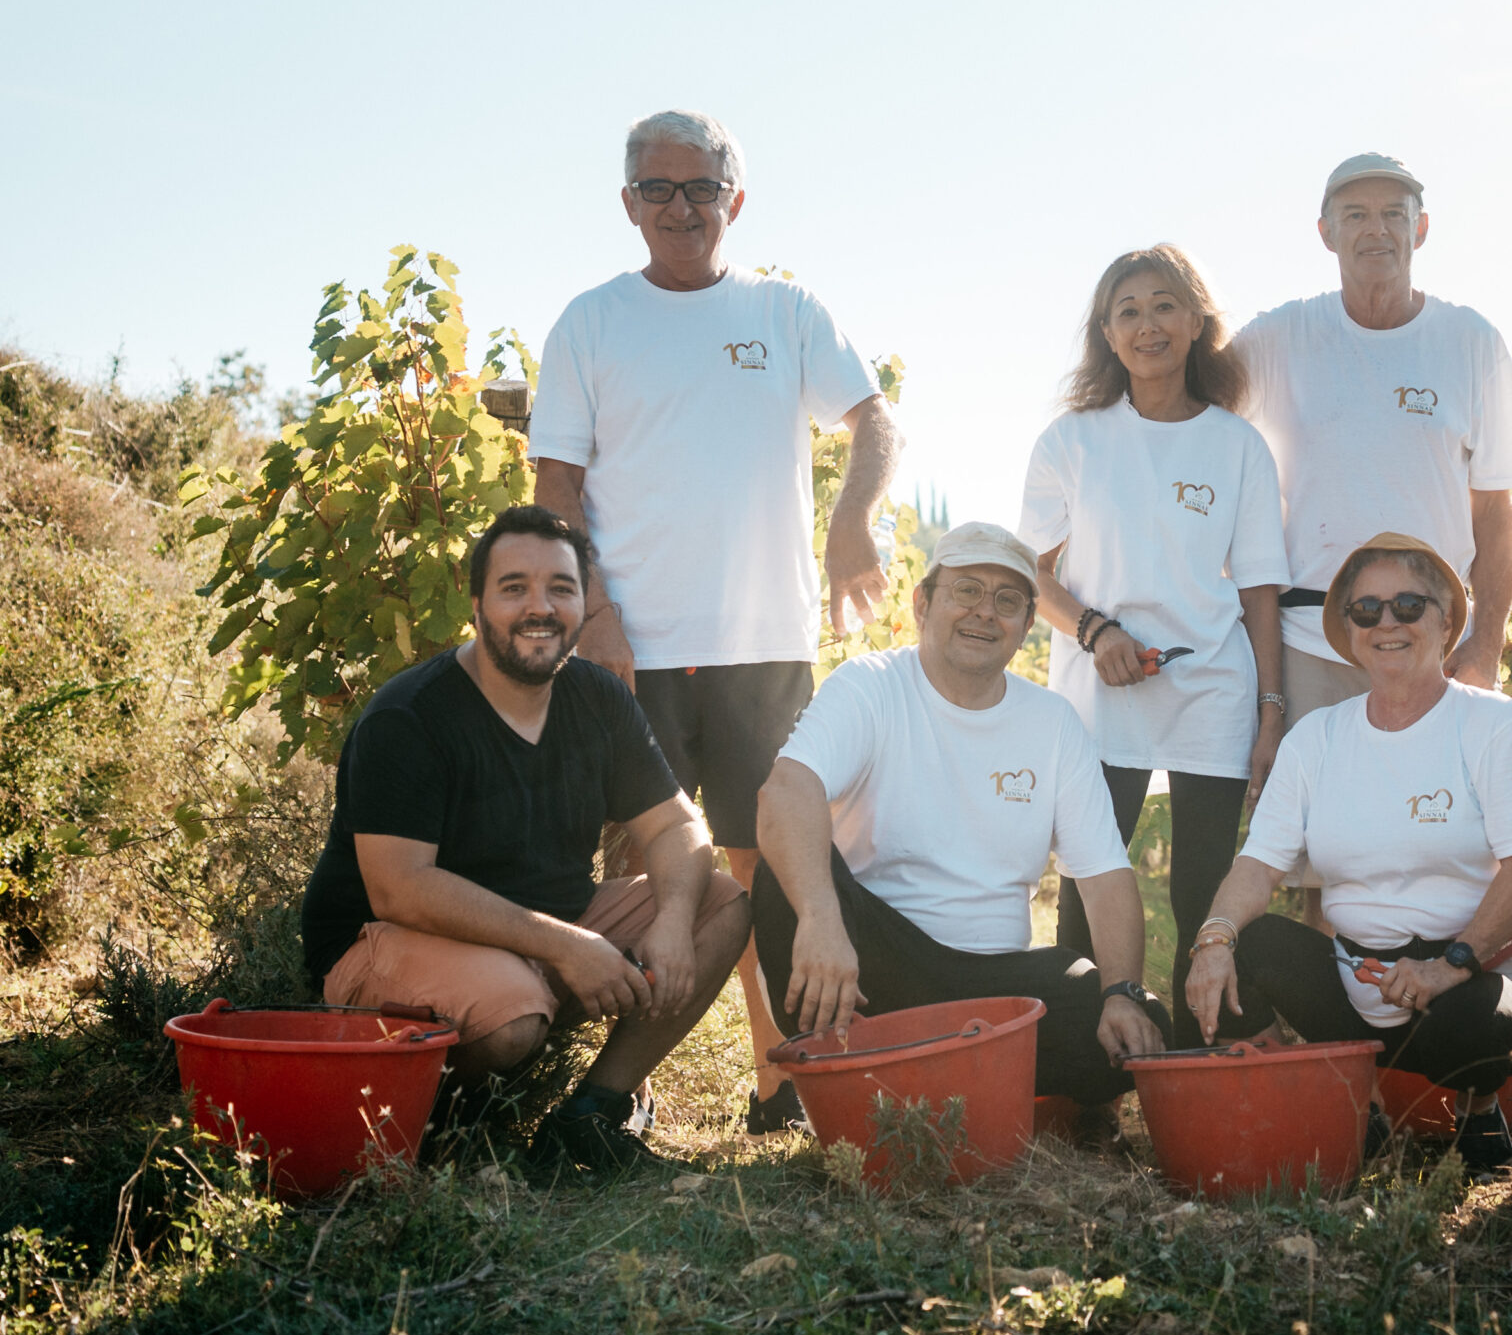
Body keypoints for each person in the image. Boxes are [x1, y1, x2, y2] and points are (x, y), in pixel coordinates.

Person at [530, 108, 901, 1134]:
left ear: (736, 200)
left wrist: (852, 524)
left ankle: (780, 1080)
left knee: (765, 867)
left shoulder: (786, 314)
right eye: (658, 189)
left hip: (764, 644)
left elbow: (875, 420)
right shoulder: (591, 322)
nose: (680, 207)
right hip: (629, 648)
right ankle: (620, 1083)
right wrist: (593, 611)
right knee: (628, 868)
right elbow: (555, 480)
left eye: (701, 188)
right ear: (629, 205)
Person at [299, 507, 750, 1175]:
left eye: (561, 589)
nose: (540, 607)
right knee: (513, 1014)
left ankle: (590, 1114)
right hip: (381, 941)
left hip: (542, 938)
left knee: (721, 901)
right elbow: (401, 887)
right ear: (476, 603)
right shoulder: (410, 715)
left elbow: (677, 824)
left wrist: (675, 920)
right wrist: (567, 946)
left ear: (582, 602)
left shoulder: (598, 699)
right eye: (515, 587)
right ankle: (447, 1125)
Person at [750, 523, 1172, 1118]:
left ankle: (925, 1084)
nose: (984, 613)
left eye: (1007, 601)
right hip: (872, 971)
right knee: (781, 882)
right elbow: (786, 790)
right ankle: (913, 1080)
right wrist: (822, 919)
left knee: (1143, 1017)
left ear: (1027, 625)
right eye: (966, 590)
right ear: (924, 602)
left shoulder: (1052, 723)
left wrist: (1123, 992)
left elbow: (1105, 876)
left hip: (998, 991)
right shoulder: (870, 686)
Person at [1185, 534, 1512, 1180]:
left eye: (1408, 605)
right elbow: (1257, 865)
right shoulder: (1318, 737)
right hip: (1357, 982)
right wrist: (1214, 938)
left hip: (1474, 979)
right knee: (1224, 959)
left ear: (1446, 618)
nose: (1387, 622)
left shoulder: (1492, 724)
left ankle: (1477, 1110)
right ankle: (1345, 1101)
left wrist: (1451, 964)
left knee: (1468, 1027)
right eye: (1367, 610)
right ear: (1350, 630)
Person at [1018, 246, 1287, 1046]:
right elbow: (1030, 576)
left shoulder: (1239, 446)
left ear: (1197, 320)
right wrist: (1095, 631)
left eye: (1164, 304)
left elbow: (1260, 590)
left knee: (1204, 886)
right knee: (1089, 878)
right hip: (1101, 687)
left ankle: (1199, 1065)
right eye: (1128, 309)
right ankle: (1080, 1072)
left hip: (1213, 689)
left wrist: (1271, 709)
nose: (1148, 324)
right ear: (1106, 331)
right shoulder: (1071, 441)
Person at [1232, 153, 1512, 726]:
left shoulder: (1471, 341)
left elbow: (1496, 512)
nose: (1376, 229)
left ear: (1420, 229)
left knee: (1436, 816)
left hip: (1435, 645)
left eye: (1393, 214)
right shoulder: (1280, 337)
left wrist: (1487, 642)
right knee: (1314, 815)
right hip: (1309, 645)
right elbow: (1190, 413)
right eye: (1354, 215)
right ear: (1326, 234)